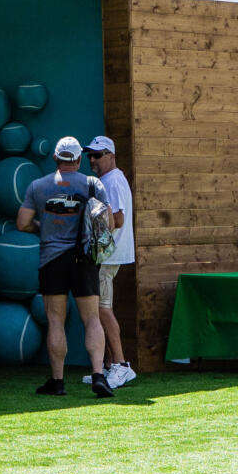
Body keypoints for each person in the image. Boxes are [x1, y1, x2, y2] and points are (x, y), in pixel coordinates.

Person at [16, 135, 113, 397]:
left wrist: (44, 228)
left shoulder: (38, 186)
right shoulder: (92, 183)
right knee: (92, 319)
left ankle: (57, 382)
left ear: (55, 158)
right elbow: (109, 224)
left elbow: (22, 222)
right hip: (85, 259)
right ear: (79, 159)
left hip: (52, 260)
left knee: (55, 321)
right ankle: (98, 376)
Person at [85, 135, 137, 388]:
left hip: (108, 255)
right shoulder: (108, 180)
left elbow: (117, 220)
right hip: (107, 255)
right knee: (99, 309)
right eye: (90, 155)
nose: (92, 160)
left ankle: (121, 365)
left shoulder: (112, 181)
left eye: (98, 155)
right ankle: (108, 366)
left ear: (111, 155)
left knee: (103, 309)